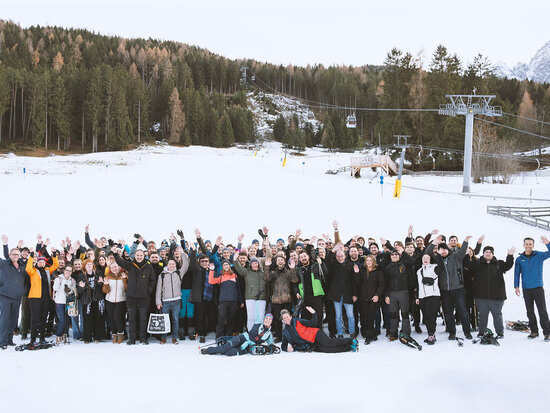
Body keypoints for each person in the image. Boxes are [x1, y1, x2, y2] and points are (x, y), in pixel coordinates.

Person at [426, 235, 473, 340]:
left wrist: (465, 241)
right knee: (448, 313)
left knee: (463, 311)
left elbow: (463, 251)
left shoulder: (456, 257)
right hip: (444, 291)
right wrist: (434, 243)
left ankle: (467, 332)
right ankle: (452, 332)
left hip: (458, 289)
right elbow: (427, 253)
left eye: (444, 249)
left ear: (448, 249)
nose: (443, 251)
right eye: (440, 250)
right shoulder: (436, 260)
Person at [113, 246, 156, 345]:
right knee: (132, 319)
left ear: (144, 256)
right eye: (137, 255)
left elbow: (152, 281)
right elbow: (120, 262)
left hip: (144, 298)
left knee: (143, 319)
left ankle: (143, 338)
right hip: (131, 297)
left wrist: (148, 290)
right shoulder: (130, 265)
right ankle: (132, 339)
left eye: (141, 255)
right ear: (134, 256)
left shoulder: (148, 266)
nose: (139, 257)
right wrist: (115, 254)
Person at [473, 245, 515, 339]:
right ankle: (481, 332)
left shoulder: (499, 263)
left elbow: (508, 265)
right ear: (483, 254)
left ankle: (500, 333)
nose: (488, 254)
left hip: (497, 296)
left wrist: (510, 256)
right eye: (486, 252)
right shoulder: (477, 263)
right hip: (481, 296)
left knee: (497, 315)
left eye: (490, 252)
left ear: (493, 254)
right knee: (482, 315)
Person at [514, 236, 550, 340]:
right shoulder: (519, 259)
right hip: (526, 289)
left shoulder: (539, 255)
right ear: (523, 245)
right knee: (530, 311)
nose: (528, 246)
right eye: (527, 244)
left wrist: (548, 243)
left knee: (542, 311)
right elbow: (517, 273)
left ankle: (547, 333)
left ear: (533, 245)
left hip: (538, 287)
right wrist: (516, 286)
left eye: (530, 244)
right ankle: (534, 331)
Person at [281, 306, 357, 353]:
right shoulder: (285, 332)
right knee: (328, 350)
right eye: (284, 318)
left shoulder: (297, 321)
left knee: (328, 343)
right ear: (283, 320)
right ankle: (349, 347)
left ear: (291, 316)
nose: (286, 319)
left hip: (316, 334)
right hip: (311, 344)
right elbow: (283, 345)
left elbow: (313, 323)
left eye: (287, 317)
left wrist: (313, 313)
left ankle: (351, 341)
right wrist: (287, 349)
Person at [26, 247, 59, 344]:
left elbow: (55, 264)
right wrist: (31, 256)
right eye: (39, 262)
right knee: (35, 318)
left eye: (43, 262)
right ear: (37, 263)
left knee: (43, 318)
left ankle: (42, 338)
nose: (41, 263)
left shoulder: (47, 270)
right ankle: (33, 339)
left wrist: (54, 254)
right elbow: (28, 268)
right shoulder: (33, 271)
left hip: (46, 298)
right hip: (35, 298)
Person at [201, 314, 275, 356]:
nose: (268, 320)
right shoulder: (258, 323)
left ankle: (224, 349)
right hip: (242, 338)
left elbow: (270, 344)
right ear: (264, 319)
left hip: (248, 347)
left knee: (229, 353)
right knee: (224, 348)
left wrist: (273, 347)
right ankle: (208, 350)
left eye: (270, 319)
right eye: (266, 318)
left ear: (271, 321)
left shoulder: (269, 334)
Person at [264, 253, 299, 342]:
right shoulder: (273, 273)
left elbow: (295, 280)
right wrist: (267, 267)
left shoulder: (288, 272)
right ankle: (279, 336)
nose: (280, 262)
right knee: (277, 319)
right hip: (275, 300)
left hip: (287, 299)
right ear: (276, 262)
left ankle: (290, 334)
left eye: (282, 260)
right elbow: (266, 279)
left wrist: (293, 269)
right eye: (278, 260)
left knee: (288, 319)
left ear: (284, 262)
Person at [0, 237, 27, 350]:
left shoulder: (22, 267)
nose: (16, 256)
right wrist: (5, 244)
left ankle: (9, 339)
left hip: (17, 297)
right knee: (4, 319)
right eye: (13, 254)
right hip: (5, 296)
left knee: (13, 320)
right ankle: (2, 341)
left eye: (17, 254)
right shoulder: (4, 264)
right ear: (9, 255)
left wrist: (24, 290)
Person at [208, 260, 243, 338]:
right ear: (222, 267)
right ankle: (219, 336)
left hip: (233, 301)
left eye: (227, 264)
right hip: (223, 301)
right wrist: (211, 270)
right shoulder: (220, 276)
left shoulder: (234, 275)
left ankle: (228, 335)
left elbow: (238, 289)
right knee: (221, 319)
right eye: (224, 265)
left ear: (229, 266)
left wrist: (241, 301)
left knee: (231, 319)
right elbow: (211, 281)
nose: (226, 266)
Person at [355, 254, 384, 344]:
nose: (368, 262)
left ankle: (369, 335)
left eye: (370, 260)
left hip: (373, 297)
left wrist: (377, 295)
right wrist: (357, 273)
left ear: (373, 261)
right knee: (364, 316)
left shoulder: (378, 271)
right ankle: (368, 333)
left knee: (370, 316)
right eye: (367, 260)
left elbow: (381, 285)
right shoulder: (362, 271)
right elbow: (358, 283)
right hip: (363, 297)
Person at [233, 253, 267, 332]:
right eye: (252, 263)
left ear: (258, 264)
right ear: (250, 264)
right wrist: (235, 260)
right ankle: (251, 332)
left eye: (256, 263)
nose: (254, 265)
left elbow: (268, 279)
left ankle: (260, 332)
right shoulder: (247, 272)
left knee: (261, 317)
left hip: (262, 298)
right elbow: (239, 268)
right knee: (251, 317)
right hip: (250, 297)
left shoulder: (262, 273)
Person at [156, 258, 183, 344]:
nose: (171, 265)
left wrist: (182, 253)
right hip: (165, 301)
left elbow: (185, 264)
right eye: (170, 264)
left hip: (176, 300)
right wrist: (158, 302)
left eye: (173, 264)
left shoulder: (178, 273)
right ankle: (163, 338)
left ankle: (174, 338)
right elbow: (158, 289)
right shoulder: (162, 275)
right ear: (167, 265)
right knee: (164, 320)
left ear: (175, 265)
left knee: (175, 319)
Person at [415, 254, 440, 345]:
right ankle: (431, 332)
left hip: (433, 295)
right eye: (424, 258)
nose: (425, 259)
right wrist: (417, 297)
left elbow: (441, 268)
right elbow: (418, 285)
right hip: (422, 296)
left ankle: (431, 335)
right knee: (426, 316)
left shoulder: (434, 267)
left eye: (427, 258)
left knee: (430, 314)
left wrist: (439, 255)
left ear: (430, 259)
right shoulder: (419, 271)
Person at [102, 261, 127, 344]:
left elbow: (126, 288)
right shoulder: (108, 278)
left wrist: (124, 279)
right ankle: (114, 335)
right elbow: (105, 291)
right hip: (110, 300)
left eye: (115, 267)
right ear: (110, 269)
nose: (114, 269)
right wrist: (106, 285)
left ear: (119, 268)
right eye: (112, 267)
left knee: (117, 317)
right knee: (111, 318)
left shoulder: (123, 276)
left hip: (121, 300)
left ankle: (121, 334)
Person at [52, 265, 77, 343]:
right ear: (64, 271)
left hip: (68, 302)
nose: (68, 272)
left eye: (70, 271)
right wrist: (59, 283)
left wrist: (70, 291)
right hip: (59, 301)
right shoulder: (59, 278)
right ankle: (59, 334)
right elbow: (55, 288)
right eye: (67, 270)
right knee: (62, 319)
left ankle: (65, 333)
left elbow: (74, 291)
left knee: (67, 318)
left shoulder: (72, 280)